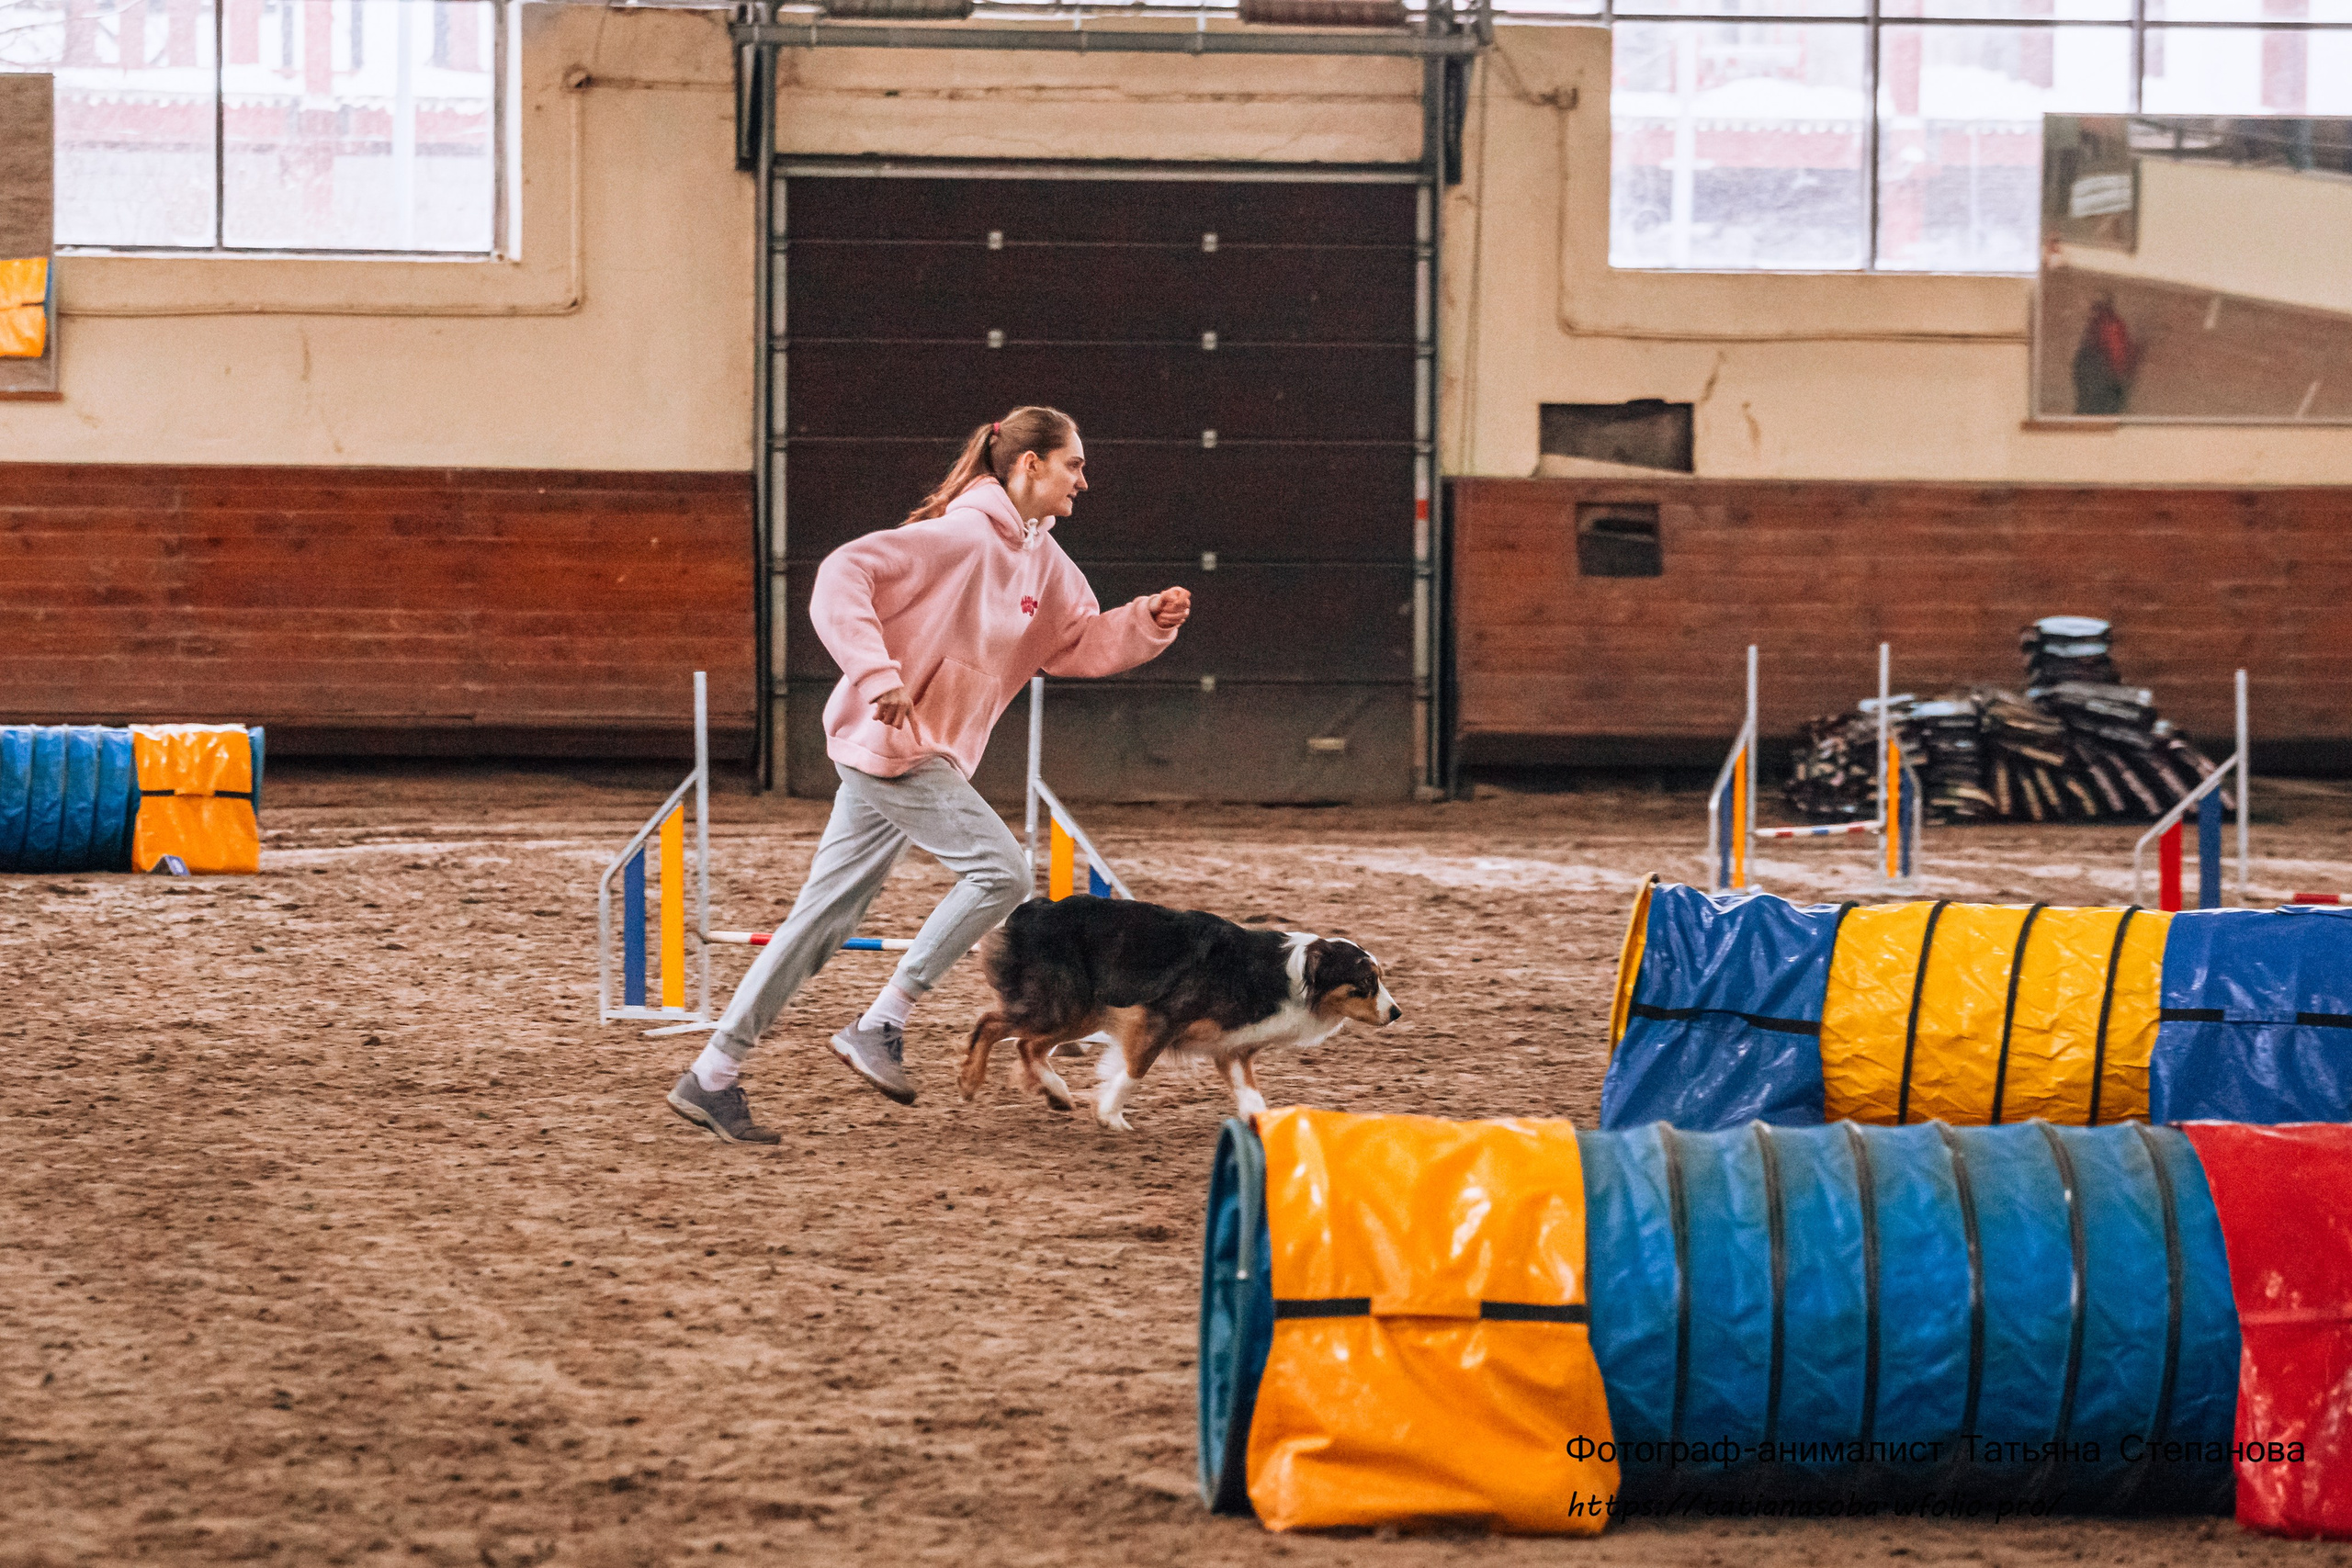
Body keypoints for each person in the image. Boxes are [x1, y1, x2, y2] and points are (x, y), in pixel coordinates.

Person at [667, 405, 1192, 1144]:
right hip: (897, 743)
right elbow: (842, 573)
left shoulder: (1045, 560)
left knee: (820, 922)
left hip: (915, 749)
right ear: (1029, 464)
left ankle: (712, 1075)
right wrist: (876, 671)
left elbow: (1074, 641)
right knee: (1003, 871)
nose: (1084, 478)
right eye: (1073, 463)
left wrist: (1148, 621)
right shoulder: (962, 533)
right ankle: (881, 1020)